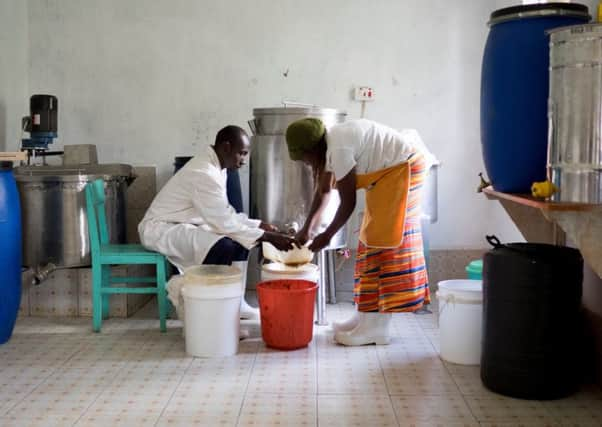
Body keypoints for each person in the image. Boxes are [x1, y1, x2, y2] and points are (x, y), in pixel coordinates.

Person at [285, 118, 436, 346]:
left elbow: (348, 203)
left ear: (312, 149)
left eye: (304, 159)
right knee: (370, 239)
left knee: (385, 242)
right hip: (387, 176)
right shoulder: (328, 146)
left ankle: (377, 328)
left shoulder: (339, 148)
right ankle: (365, 316)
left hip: (405, 170)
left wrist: (325, 236)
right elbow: (324, 191)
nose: (306, 164)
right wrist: (308, 229)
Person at [139, 125, 294, 319]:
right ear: (226, 147)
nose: (243, 160)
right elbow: (223, 222)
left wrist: (257, 225)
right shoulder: (204, 172)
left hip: (184, 224)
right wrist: (269, 237)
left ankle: (237, 304)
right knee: (223, 246)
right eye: (242, 154)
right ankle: (208, 312)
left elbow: (225, 214)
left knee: (241, 242)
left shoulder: (217, 167)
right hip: (161, 228)